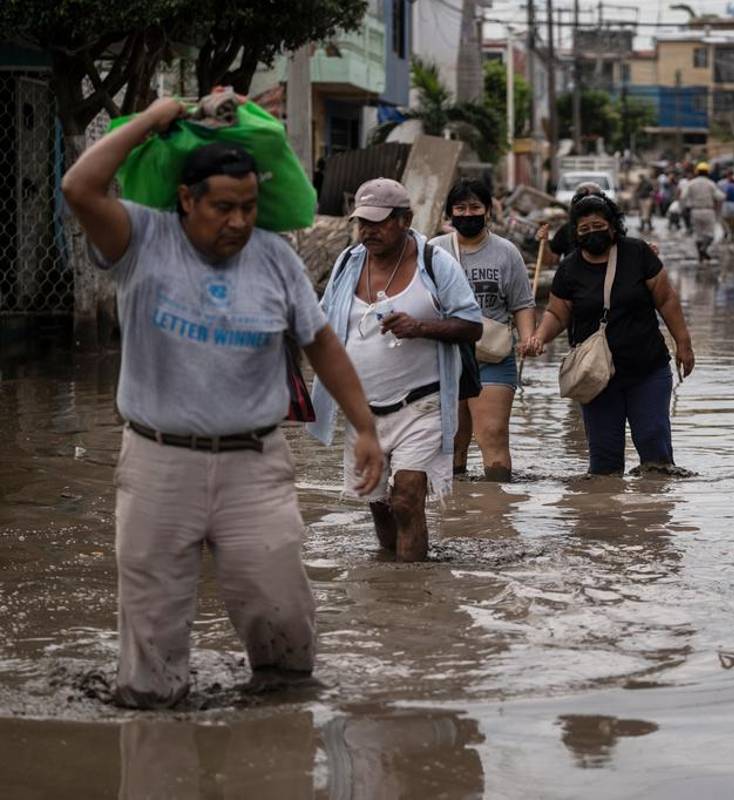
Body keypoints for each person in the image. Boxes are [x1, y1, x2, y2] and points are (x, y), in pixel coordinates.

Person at [60, 98, 386, 708]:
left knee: (281, 609)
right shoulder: (141, 238)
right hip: (158, 462)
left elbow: (322, 344)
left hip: (254, 465)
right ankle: (154, 732)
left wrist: (364, 426)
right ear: (186, 201)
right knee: (152, 633)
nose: (238, 222)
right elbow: (79, 186)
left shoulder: (275, 259)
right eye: (222, 208)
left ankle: (280, 727)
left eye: (249, 207)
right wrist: (152, 119)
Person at [308, 178, 483, 562]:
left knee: (405, 497)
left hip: (422, 405)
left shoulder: (436, 263)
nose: (368, 231)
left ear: (405, 219)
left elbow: (473, 325)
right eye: (362, 222)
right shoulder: (347, 263)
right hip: (362, 410)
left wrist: (420, 327)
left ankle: (414, 594)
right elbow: (322, 323)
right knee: (379, 504)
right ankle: (391, 586)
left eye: (378, 221)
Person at [523, 195, 695, 474]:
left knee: (656, 457)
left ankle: (654, 514)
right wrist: (539, 338)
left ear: (613, 226)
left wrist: (683, 344)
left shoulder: (638, 254)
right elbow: (557, 313)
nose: (593, 233)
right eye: (584, 229)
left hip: (647, 369)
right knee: (604, 465)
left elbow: (666, 300)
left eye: (598, 225)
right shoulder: (569, 269)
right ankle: (604, 515)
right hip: (595, 377)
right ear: (575, 234)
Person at [430, 179, 534, 482]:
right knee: (452, 441)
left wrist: (528, 337)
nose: (467, 213)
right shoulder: (433, 252)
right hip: (445, 356)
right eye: (460, 208)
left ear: (488, 210)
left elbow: (522, 304)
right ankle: (459, 514)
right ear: (450, 213)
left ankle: (498, 511)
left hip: (493, 355)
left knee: (492, 433)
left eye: (475, 207)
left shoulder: (507, 252)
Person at [681, 162, 723, 262]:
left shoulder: (691, 183)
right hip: (708, 211)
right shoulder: (711, 183)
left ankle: (700, 255)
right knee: (710, 235)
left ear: (697, 172)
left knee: (698, 234)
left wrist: (686, 206)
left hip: (695, 211)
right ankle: (703, 249)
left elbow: (683, 196)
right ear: (707, 172)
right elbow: (720, 197)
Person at [717, 169, 734, 243]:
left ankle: (729, 232)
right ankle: (732, 234)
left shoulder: (725, 184)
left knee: (726, 220)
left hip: (727, 204)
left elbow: (723, 195)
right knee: (733, 221)